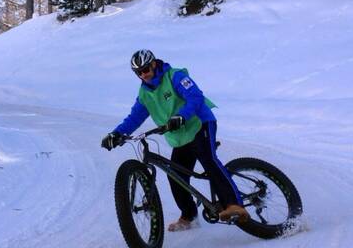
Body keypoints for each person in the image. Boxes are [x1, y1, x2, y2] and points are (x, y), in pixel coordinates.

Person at [101, 49, 249, 232]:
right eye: (138, 72)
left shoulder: (175, 76)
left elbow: (195, 97)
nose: (143, 74)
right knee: (176, 176)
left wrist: (181, 116)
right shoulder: (145, 93)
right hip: (180, 136)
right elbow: (134, 117)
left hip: (199, 123)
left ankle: (234, 204)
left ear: (154, 64)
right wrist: (116, 134)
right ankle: (189, 216)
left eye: (146, 69)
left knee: (208, 159)